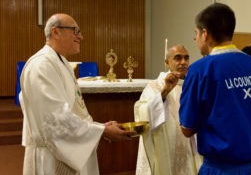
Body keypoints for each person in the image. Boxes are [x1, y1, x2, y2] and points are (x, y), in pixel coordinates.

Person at [19, 13, 136, 175]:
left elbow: (73, 111)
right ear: (55, 32)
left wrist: (99, 127)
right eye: (75, 31)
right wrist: (101, 132)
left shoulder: (61, 62)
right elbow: (54, 120)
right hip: (51, 159)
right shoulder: (41, 66)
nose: (80, 36)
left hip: (64, 151)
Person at [179, 3, 251, 175]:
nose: (196, 39)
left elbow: (187, 128)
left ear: (205, 34)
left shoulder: (200, 69)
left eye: (196, 34)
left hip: (222, 169)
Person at [134, 45, 201, 175]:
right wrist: (164, 93)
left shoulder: (193, 86)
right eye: (177, 58)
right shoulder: (154, 86)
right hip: (165, 153)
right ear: (167, 62)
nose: (183, 62)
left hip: (189, 152)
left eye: (186, 58)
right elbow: (143, 116)